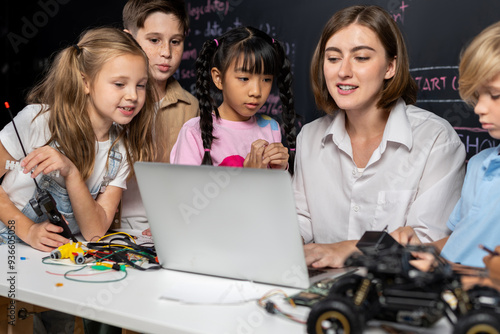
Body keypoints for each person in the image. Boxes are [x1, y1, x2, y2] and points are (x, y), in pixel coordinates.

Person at [293, 5, 466, 268]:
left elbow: (427, 241)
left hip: (395, 294)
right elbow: (301, 219)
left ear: (390, 67)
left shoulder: (436, 139)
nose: (343, 71)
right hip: (323, 291)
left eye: (361, 58)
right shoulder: (309, 136)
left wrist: (346, 250)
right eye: (333, 58)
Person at [0, 27, 155, 252]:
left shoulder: (121, 149)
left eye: (140, 85)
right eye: (120, 84)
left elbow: (95, 232)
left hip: (45, 259)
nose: (133, 95)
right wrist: (28, 230)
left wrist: (72, 174)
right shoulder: (39, 121)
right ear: (86, 83)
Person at [392, 21, 500, 268]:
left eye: (495, 95)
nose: (480, 108)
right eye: (477, 95)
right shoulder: (478, 164)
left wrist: (449, 272)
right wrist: (423, 249)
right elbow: (458, 242)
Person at [170, 26, 296, 172]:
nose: (256, 91)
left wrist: (280, 169)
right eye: (244, 78)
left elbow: (277, 192)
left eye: (266, 79)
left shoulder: (270, 128)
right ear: (218, 78)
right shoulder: (193, 133)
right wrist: (249, 175)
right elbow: (187, 192)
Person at [120, 0, 199, 230]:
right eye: (154, 40)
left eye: (176, 42)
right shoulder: (110, 102)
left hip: (165, 228)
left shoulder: (191, 108)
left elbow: (191, 184)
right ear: (128, 39)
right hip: (106, 227)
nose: (166, 52)